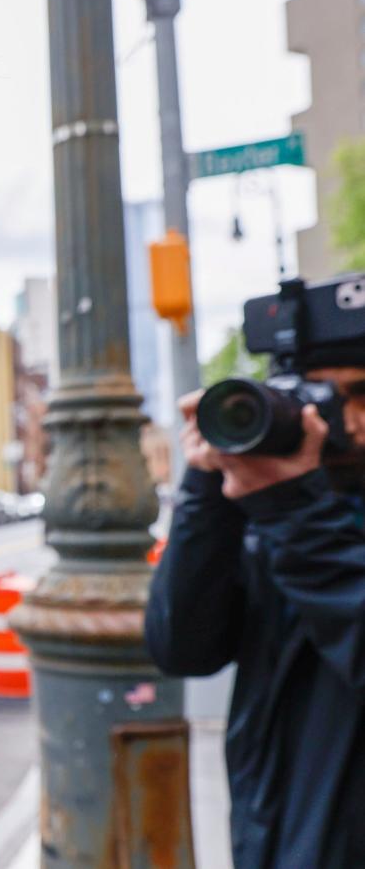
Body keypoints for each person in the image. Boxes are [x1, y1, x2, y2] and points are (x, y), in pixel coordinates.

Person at [145, 367, 365, 868]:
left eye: (361, 394)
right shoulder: (278, 509)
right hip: (271, 837)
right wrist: (207, 484)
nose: (343, 421)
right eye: (319, 397)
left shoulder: (295, 512)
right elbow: (180, 648)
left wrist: (296, 513)